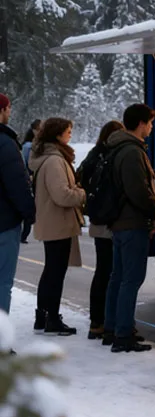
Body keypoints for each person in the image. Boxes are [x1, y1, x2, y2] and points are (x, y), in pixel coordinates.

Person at [103, 104, 155, 353]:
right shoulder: (131, 152)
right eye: (150, 123)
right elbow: (138, 190)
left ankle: (111, 327)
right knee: (131, 279)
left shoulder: (118, 147)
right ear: (141, 124)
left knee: (118, 277)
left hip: (120, 222)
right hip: (132, 223)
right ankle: (123, 333)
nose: (151, 128)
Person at [28, 117, 85, 335]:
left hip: (52, 221)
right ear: (58, 135)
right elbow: (62, 194)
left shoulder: (48, 157)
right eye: (68, 132)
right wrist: (81, 193)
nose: (70, 135)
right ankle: (51, 318)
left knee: (52, 270)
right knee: (55, 272)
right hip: (58, 222)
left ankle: (43, 316)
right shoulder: (54, 161)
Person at [76, 119, 124, 339]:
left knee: (102, 271)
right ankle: (108, 319)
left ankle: (97, 321)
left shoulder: (94, 154)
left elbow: (81, 178)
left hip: (97, 220)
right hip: (113, 220)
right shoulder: (113, 156)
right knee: (113, 273)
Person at [0, 94, 35, 315]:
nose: (10, 112)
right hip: (4, 223)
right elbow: (17, 184)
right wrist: (29, 212)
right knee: (2, 282)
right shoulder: (5, 143)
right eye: (9, 107)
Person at [20, 119, 41, 244]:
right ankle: (24, 234)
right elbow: (26, 163)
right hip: (30, 178)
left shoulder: (32, 145)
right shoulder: (28, 146)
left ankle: (24, 234)